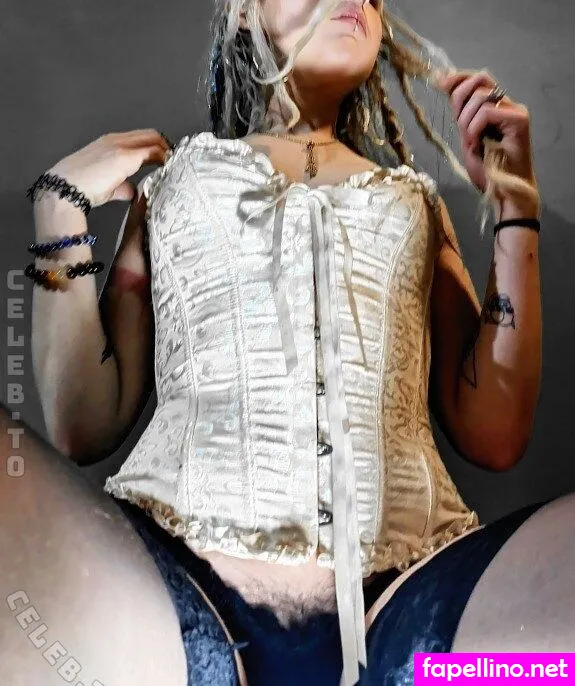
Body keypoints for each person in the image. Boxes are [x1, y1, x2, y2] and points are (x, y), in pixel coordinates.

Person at [8, 0, 574, 685]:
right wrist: (59, 213)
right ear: (242, 15)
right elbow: (82, 426)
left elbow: (494, 435)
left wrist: (515, 205)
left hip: (416, 639)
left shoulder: (414, 206)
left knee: (550, 665)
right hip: (169, 623)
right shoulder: (175, 186)